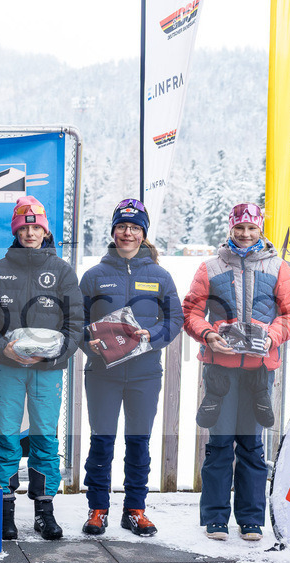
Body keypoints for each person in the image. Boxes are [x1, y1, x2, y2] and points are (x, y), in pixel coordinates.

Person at [182, 202, 290, 542]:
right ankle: (215, 518)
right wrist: (208, 334)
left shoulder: (279, 268)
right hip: (219, 368)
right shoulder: (209, 267)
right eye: (239, 228)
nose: (246, 234)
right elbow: (190, 311)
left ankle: (251, 519)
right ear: (230, 229)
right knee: (219, 443)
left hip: (259, 370)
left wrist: (272, 336)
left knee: (252, 446)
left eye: (252, 228)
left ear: (260, 229)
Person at [0, 196, 83, 540]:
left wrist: (53, 353)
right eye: (24, 227)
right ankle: (4, 511)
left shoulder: (61, 271)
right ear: (16, 232)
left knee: (45, 438)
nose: (31, 233)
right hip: (7, 367)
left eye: (36, 227)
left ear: (45, 230)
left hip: (47, 370)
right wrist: (2, 347)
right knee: (5, 437)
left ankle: (44, 512)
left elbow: (75, 322)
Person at [79, 199, 183, 538]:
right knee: (102, 441)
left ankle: (135, 510)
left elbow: (175, 319)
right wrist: (86, 341)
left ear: (144, 234)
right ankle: (98, 509)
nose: (128, 233)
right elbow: (75, 320)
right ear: (113, 232)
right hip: (102, 374)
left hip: (145, 373)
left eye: (135, 228)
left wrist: (151, 335)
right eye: (122, 227)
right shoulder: (94, 275)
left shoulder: (160, 276)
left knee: (139, 442)